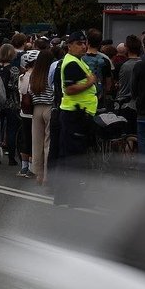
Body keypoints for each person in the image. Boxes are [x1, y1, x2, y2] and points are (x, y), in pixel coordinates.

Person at [56, 31, 99, 181]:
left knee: (74, 153)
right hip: (75, 114)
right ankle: (73, 189)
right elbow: (69, 89)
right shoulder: (72, 63)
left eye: (84, 43)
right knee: (75, 155)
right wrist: (89, 83)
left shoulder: (77, 61)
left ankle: (69, 189)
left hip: (78, 113)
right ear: (69, 46)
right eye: (79, 44)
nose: (83, 46)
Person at [27, 47, 55, 184]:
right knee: (48, 142)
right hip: (49, 107)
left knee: (37, 143)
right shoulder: (51, 73)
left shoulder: (34, 74)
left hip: (36, 109)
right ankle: (47, 175)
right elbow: (54, 91)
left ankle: (38, 173)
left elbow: (30, 91)